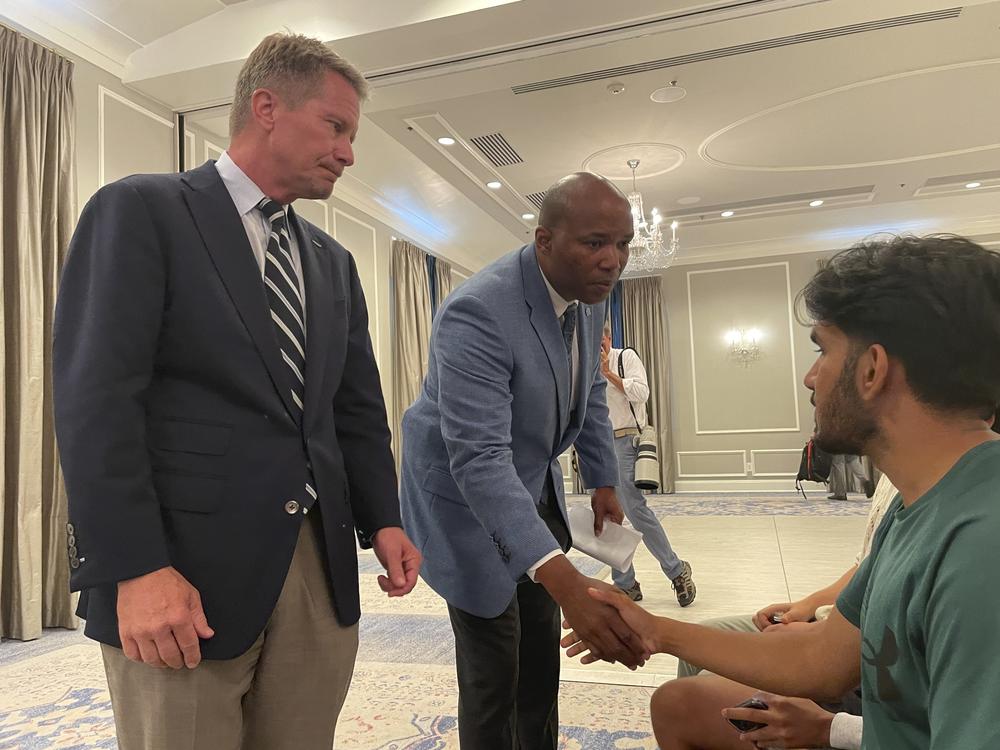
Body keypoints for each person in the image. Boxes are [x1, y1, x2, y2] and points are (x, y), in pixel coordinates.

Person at [53, 33, 420, 750]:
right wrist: (135, 568)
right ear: (267, 108)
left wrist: (384, 518)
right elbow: (96, 400)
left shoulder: (333, 263)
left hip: (317, 566)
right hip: (181, 570)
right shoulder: (142, 210)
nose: (348, 152)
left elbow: (354, 409)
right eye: (336, 126)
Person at [563, 235, 1000, 749]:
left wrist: (830, 732)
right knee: (680, 702)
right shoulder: (919, 505)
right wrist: (654, 629)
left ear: (872, 369)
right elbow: (821, 660)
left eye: (822, 351)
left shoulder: (981, 546)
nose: (811, 377)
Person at [399, 172, 648, 750]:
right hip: (463, 498)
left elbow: (586, 393)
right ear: (545, 240)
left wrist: (603, 479)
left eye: (623, 244)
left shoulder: (586, 301)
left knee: (539, 659)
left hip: (530, 484)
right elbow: (480, 460)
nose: (613, 260)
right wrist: (568, 586)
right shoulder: (478, 312)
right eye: (594, 243)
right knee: (494, 663)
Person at [599, 325, 695, 605]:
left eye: (600, 339)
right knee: (607, 516)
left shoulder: (624, 357)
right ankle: (625, 583)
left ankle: (676, 570)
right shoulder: (582, 369)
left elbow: (642, 393)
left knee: (635, 511)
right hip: (600, 446)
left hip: (626, 440)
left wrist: (608, 374)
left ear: (608, 338)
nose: (596, 345)